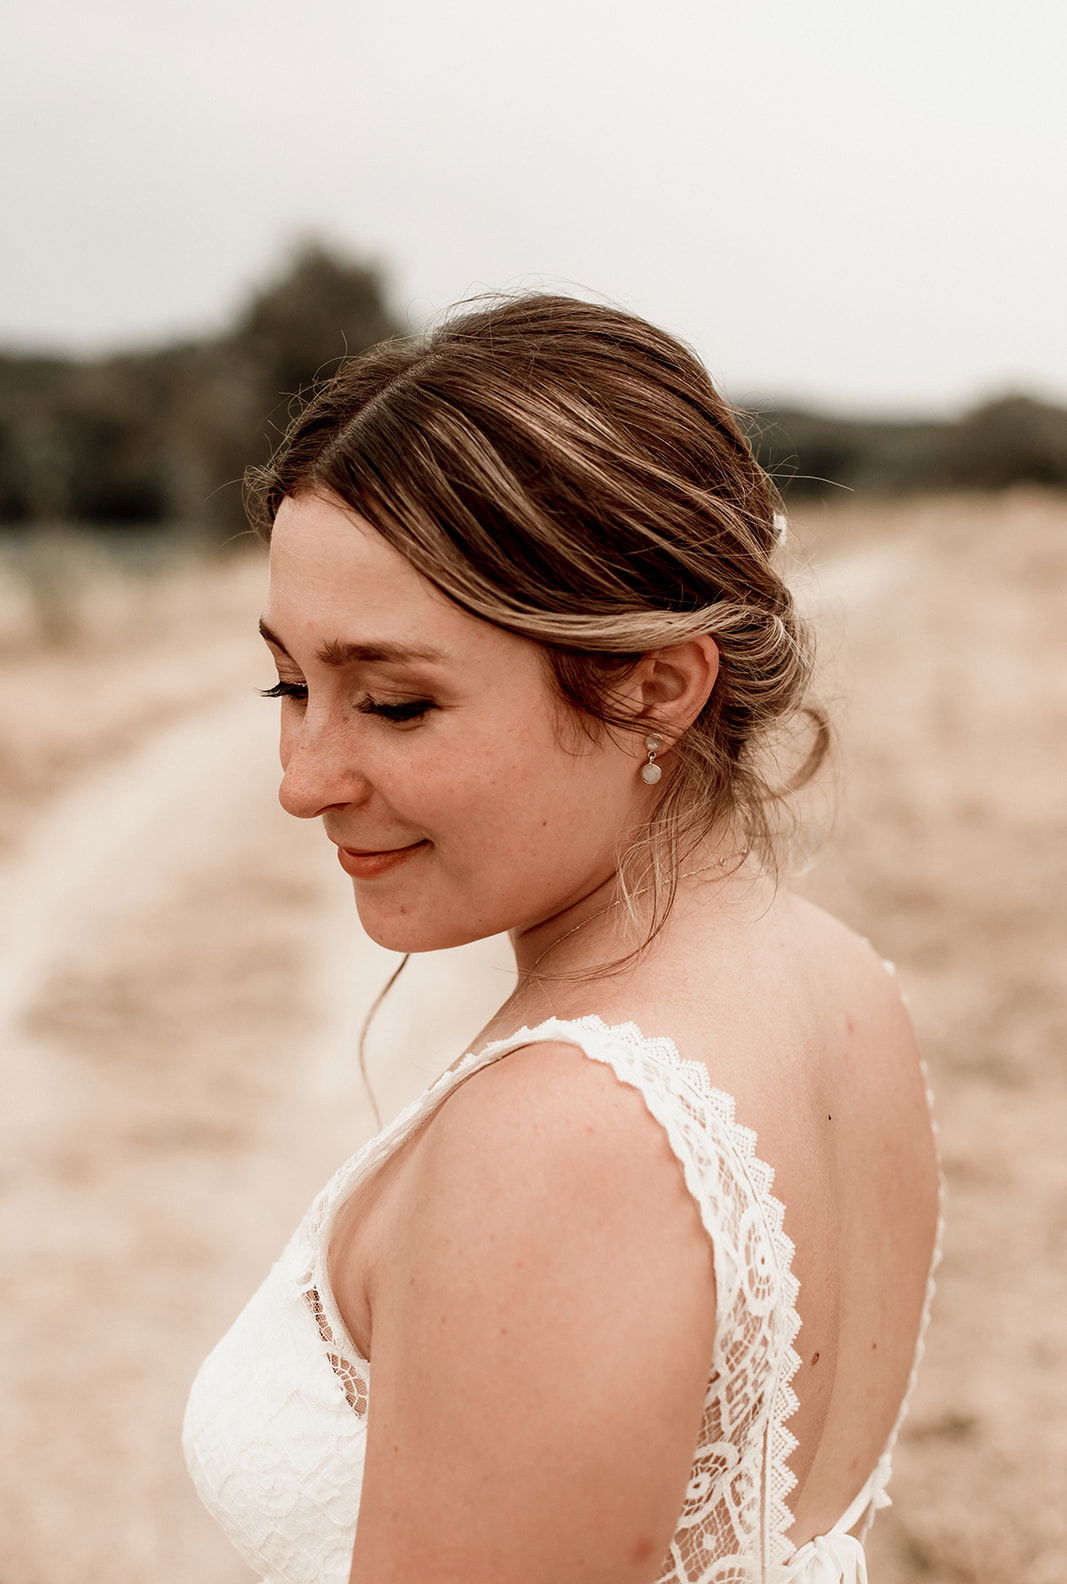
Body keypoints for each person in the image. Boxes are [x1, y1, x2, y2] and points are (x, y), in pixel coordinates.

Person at [182, 293, 943, 1584]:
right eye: (290, 686)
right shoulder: (842, 985)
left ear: (656, 682)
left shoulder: (558, 1139)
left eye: (396, 703)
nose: (303, 778)